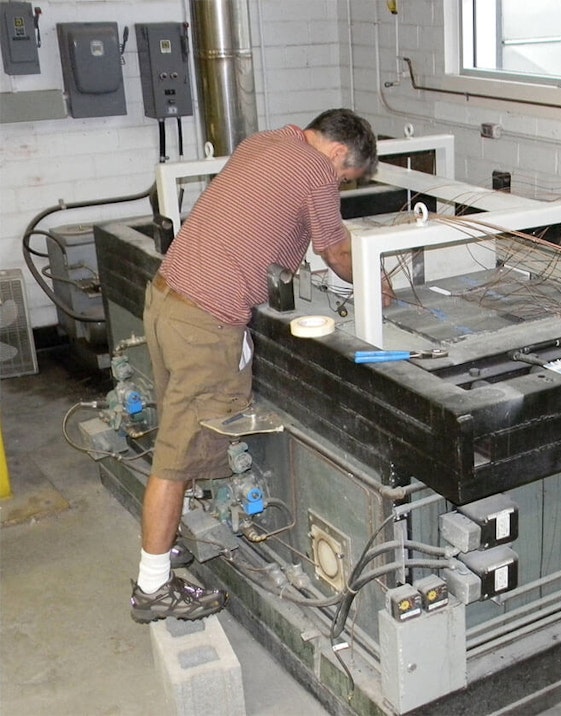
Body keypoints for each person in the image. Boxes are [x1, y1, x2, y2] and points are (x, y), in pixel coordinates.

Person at [130, 108, 382, 623]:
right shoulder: (315, 168)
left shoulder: (264, 143)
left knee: (176, 438)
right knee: (177, 458)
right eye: (345, 177)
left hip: (167, 301)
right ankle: (152, 586)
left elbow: (266, 224)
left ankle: (164, 545)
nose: (338, 183)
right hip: (206, 323)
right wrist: (376, 285)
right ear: (336, 153)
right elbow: (335, 250)